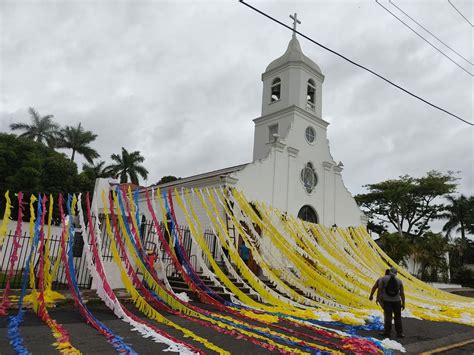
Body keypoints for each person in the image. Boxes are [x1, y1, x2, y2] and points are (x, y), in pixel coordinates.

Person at [378, 267, 405, 338]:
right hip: (397, 301)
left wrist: (379, 298)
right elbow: (402, 293)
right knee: (398, 317)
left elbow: (380, 288)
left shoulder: (384, 279)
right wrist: (403, 303)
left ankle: (387, 332)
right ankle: (400, 333)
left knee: (388, 317)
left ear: (389, 272)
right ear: (396, 273)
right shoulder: (399, 281)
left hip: (387, 301)